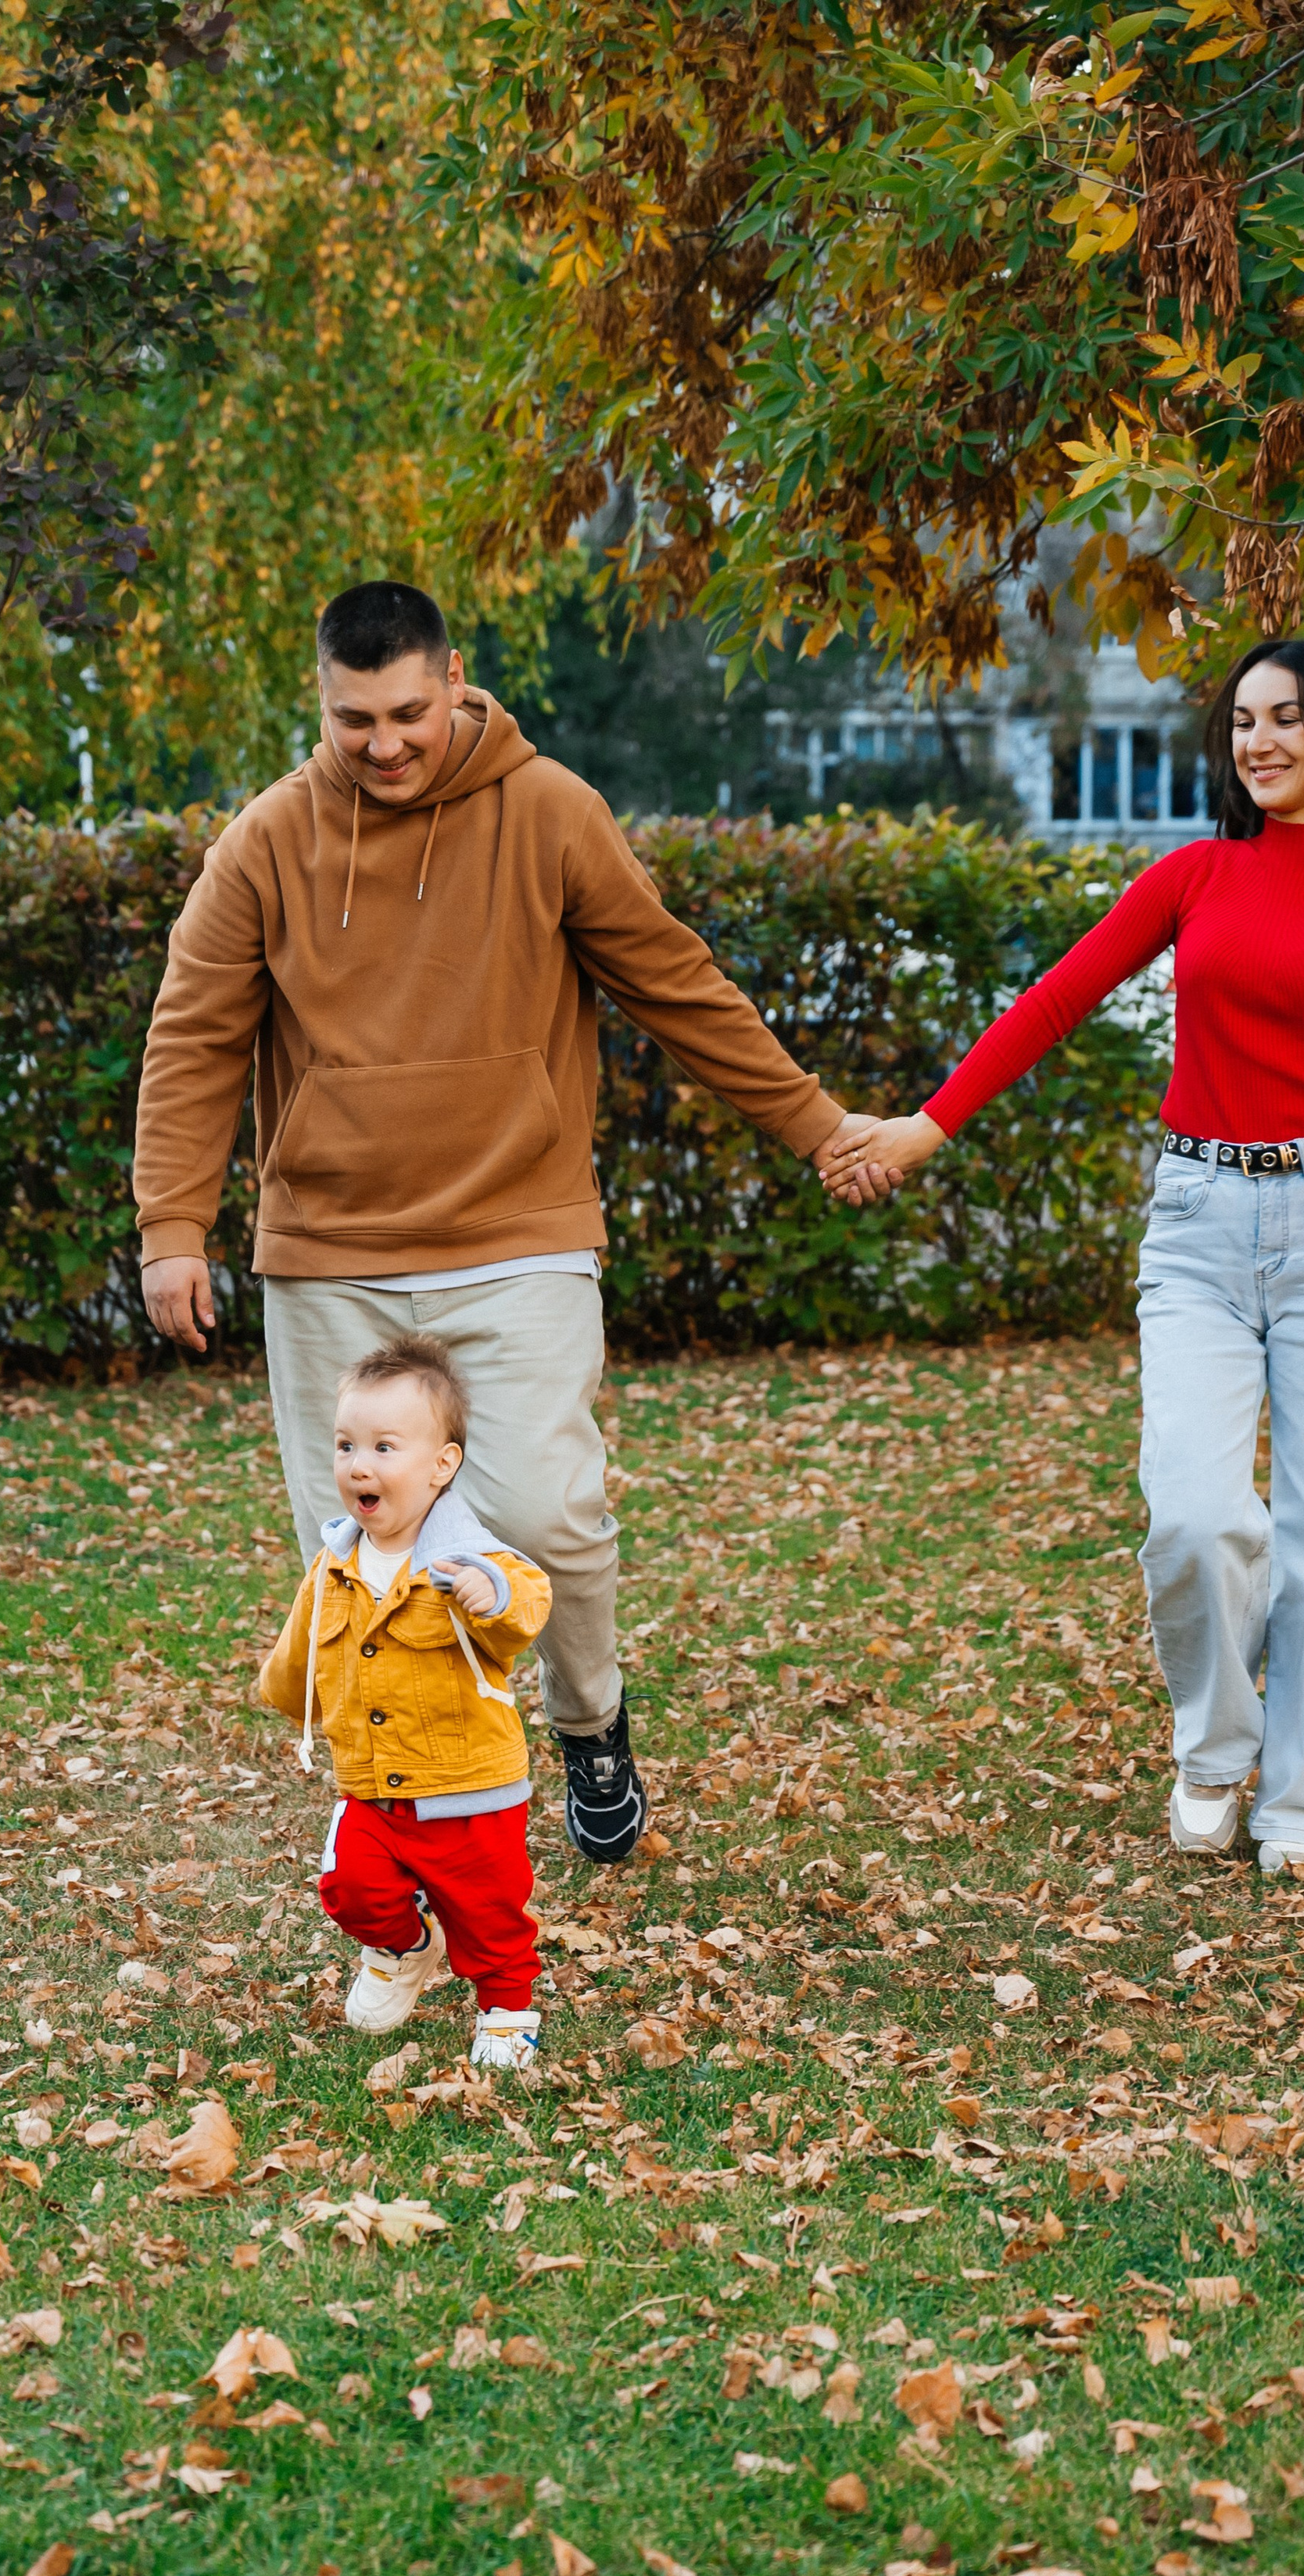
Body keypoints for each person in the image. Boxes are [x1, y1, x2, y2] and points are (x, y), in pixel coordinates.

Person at [134, 578, 874, 1865]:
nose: (385, 743)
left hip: (517, 1232)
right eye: (353, 718)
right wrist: (171, 1225)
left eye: (408, 711)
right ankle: (410, 1830)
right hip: (333, 1257)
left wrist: (816, 1126)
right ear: (322, 703)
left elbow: (676, 983)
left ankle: (590, 1723)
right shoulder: (266, 839)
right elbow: (196, 1031)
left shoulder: (548, 812)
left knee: (546, 1514)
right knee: (366, 1554)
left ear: (456, 676)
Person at [822, 639, 1304, 1879]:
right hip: (1201, 1223)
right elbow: (1057, 998)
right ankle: (1216, 1748)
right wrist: (928, 1128)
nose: (1257, 742)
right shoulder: (1195, 876)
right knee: (1196, 1516)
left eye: (1285, 720)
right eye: (1243, 722)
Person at [258, 1335, 553, 2071]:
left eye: (385, 1446)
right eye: (346, 1444)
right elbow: (303, 1650)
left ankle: (508, 2009)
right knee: (348, 1888)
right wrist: (284, 1696)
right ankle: (404, 1946)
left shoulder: (467, 1558)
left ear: (441, 1466)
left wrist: (496, 1593)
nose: (360, 1464)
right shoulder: (335, 1565)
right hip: (372, 1783)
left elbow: (529, 1599)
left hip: (469, 1790)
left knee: (489, 1915)